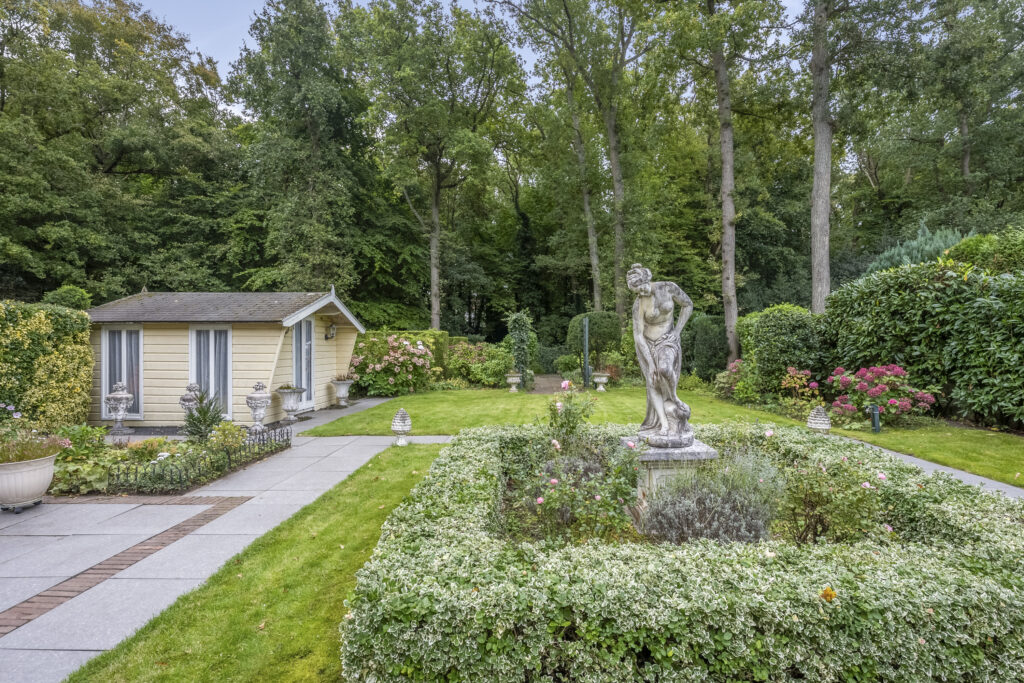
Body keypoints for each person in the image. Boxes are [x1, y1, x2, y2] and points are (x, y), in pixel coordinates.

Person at [626, 263, 694, 448]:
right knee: (653, 379)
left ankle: (674, 397)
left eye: (640, 288)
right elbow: (638, 335)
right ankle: (663, 424)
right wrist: (650, 363)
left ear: (647, 280)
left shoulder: (668, 287)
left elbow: (688, 305)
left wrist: (677, 331)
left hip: (667, 340)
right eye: (636, 291)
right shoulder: (639, 304)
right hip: (648, 344)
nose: (639, 293)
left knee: (665, 369)